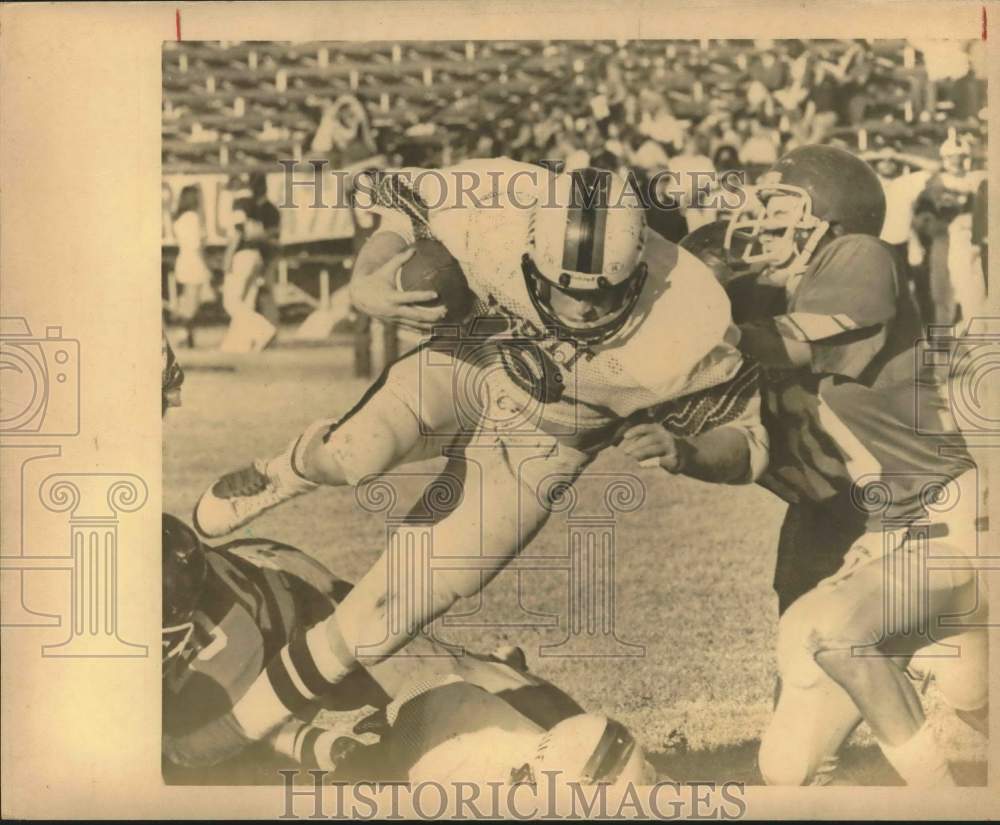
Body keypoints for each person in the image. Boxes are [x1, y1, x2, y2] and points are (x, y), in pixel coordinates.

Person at [191, 160, 769, 753]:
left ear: (640, 268)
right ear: (527, 248)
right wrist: (365, 283)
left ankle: (223, 735)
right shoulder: (497, 208)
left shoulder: (688, 318)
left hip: (547, 441)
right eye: (562, 288)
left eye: (602, 296)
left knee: (382, 617)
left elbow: (747, 445)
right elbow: (400, 200)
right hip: (474, 360)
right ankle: (284, 471)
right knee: (352, 454)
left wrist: (690, 451)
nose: (582, 313)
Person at [685, 144, 987, 786]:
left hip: (946, 518)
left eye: (783, 207)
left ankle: (945, 797)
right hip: (877, 529)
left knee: (840, 635)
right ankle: (934, 660)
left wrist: (702, 324)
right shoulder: (782, 291)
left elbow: (786, 344)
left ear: (834, 218)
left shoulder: (860, 257)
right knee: (785, 771)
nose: (764, 223)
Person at [161, 513, 653, 787]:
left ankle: (553, 726)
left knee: (452, 683)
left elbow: (224, 734)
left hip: (301, 613)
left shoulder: (226, 642)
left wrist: (327, 747)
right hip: (258, 613)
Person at [220, 173, 280, 353]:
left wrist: (228, 256)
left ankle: (263, 330)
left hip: (242, 254)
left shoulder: (241, 203)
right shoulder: (257, 205)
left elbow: (239, 233)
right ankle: (240, 344)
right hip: (256, 255)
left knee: (230, 302)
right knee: (246, 302)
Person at [171, 185, 215, 348]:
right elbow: (197, 244)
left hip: (183, 260)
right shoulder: (193, 218)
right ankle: (182, 334)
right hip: (194, 262)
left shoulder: (179, 218)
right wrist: (207, 265)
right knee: (192, 304)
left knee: (188, 300)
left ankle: (187, 336)